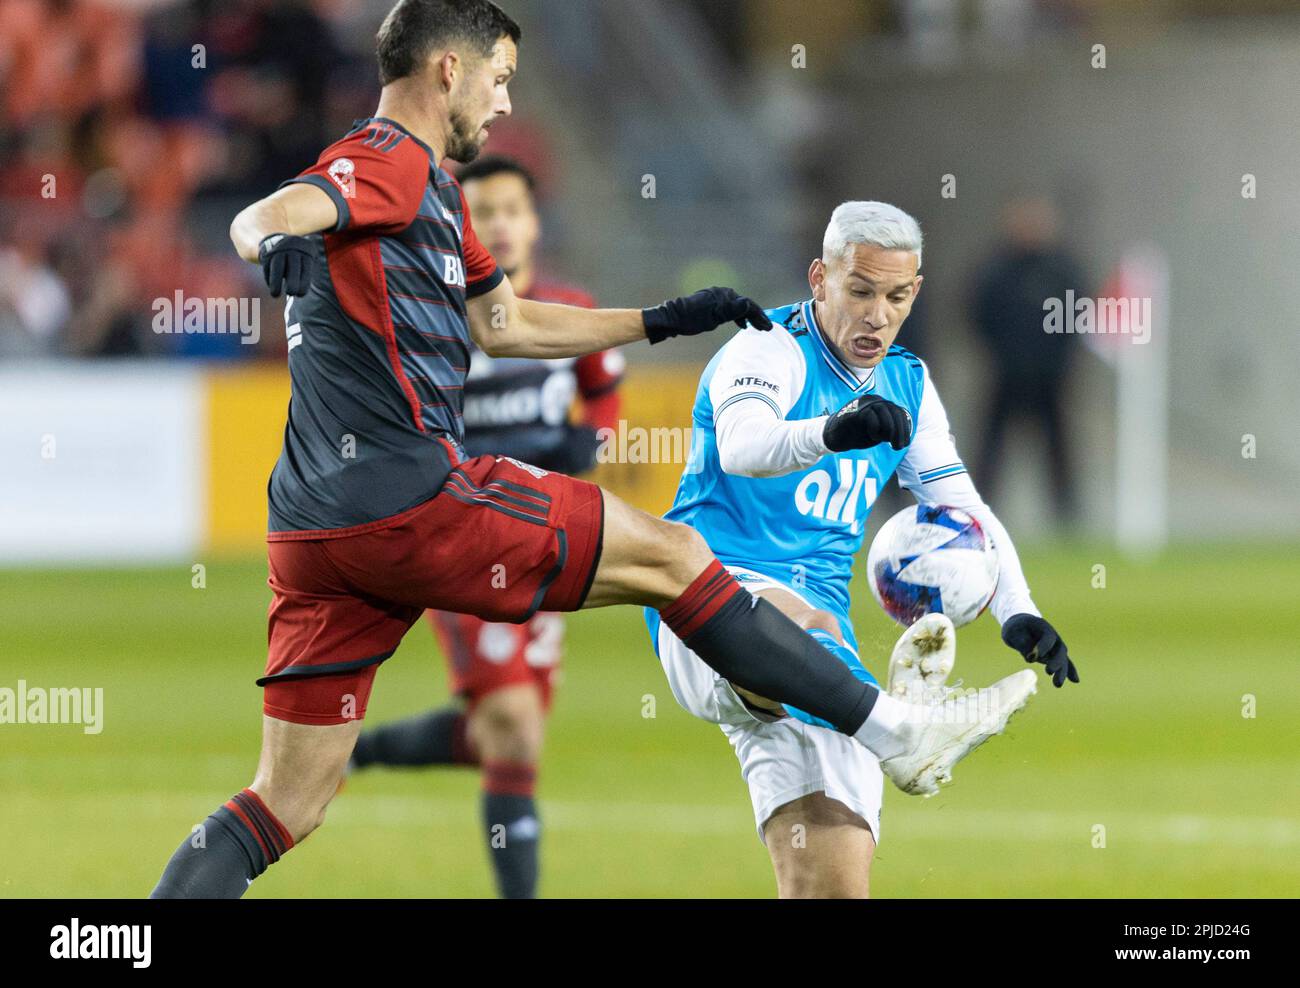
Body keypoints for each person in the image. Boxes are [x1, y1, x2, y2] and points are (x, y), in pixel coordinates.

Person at [149, 0, 1052, 899]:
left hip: (311, 535)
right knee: (676, 556)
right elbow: (270, 212)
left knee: (287, 802)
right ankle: (898, 732)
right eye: (500, 78)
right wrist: (272, 240)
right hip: (407, 500)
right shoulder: (385, 158)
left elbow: (506, 324)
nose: (505, 104)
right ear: (448, 71)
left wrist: (660, 321)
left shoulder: (437, 196)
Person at [646, 201, 1080, 898]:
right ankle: (907, 726)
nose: (878, 314)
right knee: (802, 629)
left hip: (824, 660)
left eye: (898, 296)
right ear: (820, 279)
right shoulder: (766, 349)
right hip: (710, 595)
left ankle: (891, 720)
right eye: (861, 291)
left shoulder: (908, 381)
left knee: (832, 883)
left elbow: (962, 508)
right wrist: (832, 430)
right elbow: (744, 446)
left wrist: (1016, 610)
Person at [347, 155, 624, 899]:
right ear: (459, 226)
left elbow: (604, 389)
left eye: (511, 209)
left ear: (534, 223)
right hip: (463, 539)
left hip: (545, 538)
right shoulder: (435, 318)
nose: (498, 224)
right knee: (516, 724)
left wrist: (589, 445)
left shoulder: (568, 308)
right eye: (482, 212)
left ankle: (357, 751)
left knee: (499, 735)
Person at [969, 194, 1088, 524]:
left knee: (1058, 449)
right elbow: (977, 314)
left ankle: (1067, 515)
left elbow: (1078, 314)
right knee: (990, 449)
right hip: (1006, 374)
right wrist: (1001, 353)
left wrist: (1060, 360)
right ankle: (978, 513)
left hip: (1049, 377)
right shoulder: (995, 270)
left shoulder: (1062, 270)